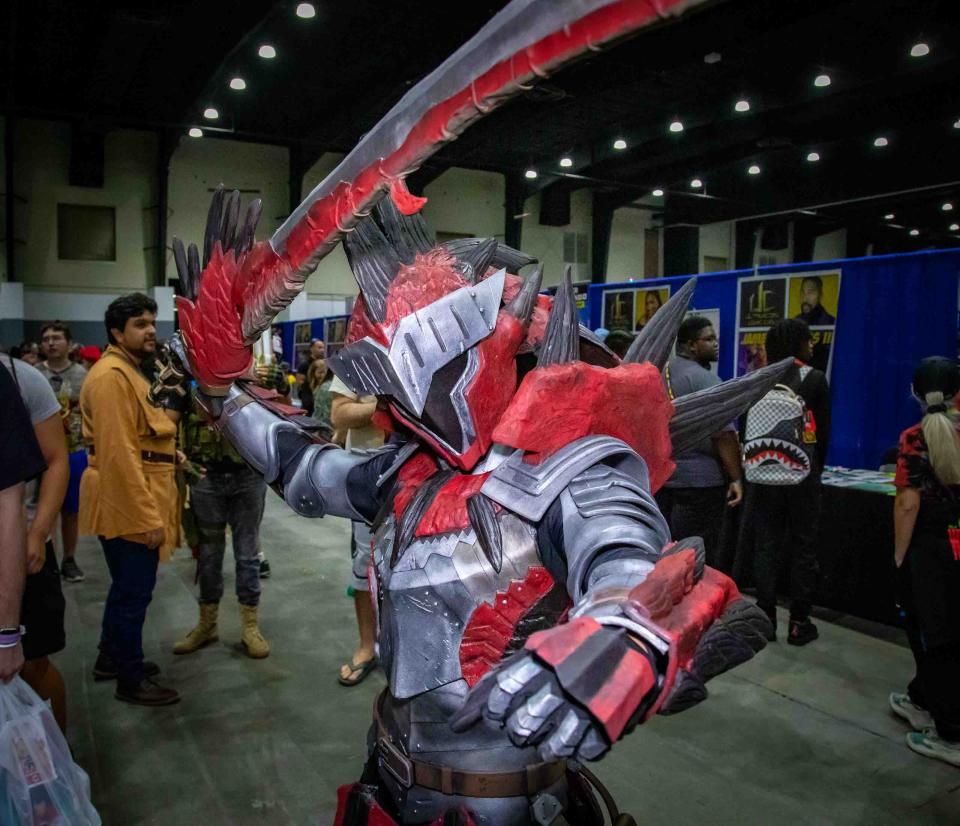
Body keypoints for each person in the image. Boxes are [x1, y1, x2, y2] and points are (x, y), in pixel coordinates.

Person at [169, 187, 776, 824]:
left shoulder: (569, 473)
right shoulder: (410, 471)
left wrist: (624, 633)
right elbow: (304, 467)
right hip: (390, 777)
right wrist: (220, 392)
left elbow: (628, 561)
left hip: (507, 802)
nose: (396, 402)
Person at [79, 293, 181, 706]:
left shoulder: (129, 371)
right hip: (128, 497)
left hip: (139, 485)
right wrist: (145, 518)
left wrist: (171, 452)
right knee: (134, 591)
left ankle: (111, 656)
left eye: (152, 322)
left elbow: (139, 433)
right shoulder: (110, 378)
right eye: (139, 324)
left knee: (127, 587)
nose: (150, 330)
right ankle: (129, 676)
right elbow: (119, 455)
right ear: (117, 333)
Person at [890, 356, 960, 767]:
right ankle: (924, 697)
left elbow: (907, 504)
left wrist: (899, 556)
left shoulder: (915, 438)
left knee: (936, 634)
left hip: (932, 551)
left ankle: (950, 730)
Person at [749, 318, 830, 645]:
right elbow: (822, 434)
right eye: (809, 340)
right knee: (803, 546)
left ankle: (765, 616)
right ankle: (799, 621)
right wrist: (815, 472)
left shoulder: (758, 377)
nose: (812, 346)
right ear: (797, 343)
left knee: (765, 543)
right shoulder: (814, 379)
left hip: (762, 472)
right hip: (801, 475)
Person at [172, 391, 270, 659]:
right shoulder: (186, 383)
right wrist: (185, 464)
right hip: (206, 478)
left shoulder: (248, 381)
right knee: (209, 555)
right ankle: (207, 623)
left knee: (248, 554)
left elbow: (275, 418)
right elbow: (164, 425)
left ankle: (250, 626)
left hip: (247, 477)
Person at [0, 353, 70, 730]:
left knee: (33, 663)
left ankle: (58, 760)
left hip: (21, 543)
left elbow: (56, 460)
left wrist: (39, 533)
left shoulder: (21, 379)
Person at [656, 316, 743, 567]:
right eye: (709, 339)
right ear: (691, 346)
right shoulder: (704, 380)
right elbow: (724, 434)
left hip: (665, 479)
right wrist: (736, 477)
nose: (716, 344)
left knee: (668, 551)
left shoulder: (659, 372)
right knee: (698, 556)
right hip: (701, 484)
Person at [329, 375, 383, 686]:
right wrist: (385, 408)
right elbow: (339, 413)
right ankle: (367, 646)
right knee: (366, 560)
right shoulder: (360, 356)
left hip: (422, 466)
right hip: (366, 472)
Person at [0, 360, 47, 685]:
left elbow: (7, 502)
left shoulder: (22, 379)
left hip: (21, 536)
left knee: (37, 667)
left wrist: (6, 634)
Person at [37, 320, 89, 583]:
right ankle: (46, 559)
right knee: (43, 509)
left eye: (56, 337)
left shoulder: (82, 375)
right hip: (40, 453)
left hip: (74, 450)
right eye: (46, 338)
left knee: (71, 510)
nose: (51, 342)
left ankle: (69, 558)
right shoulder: (34, 374)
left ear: (69, 343)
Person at [295, 338, 325, 416]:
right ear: (312, 348)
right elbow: (299, 383)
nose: (322, 350)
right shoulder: (304, 364)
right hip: (308, 402)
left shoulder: (325, 364)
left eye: (323, 348)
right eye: (319, 347)